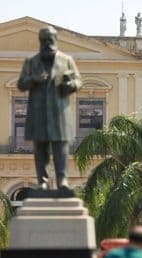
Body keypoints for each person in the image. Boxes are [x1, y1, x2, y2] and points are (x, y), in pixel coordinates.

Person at [17, 26, 82, 190]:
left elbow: (78, 82)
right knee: (40, 149)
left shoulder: (66, 60)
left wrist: (69, 84)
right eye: (44, 40)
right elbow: (21, 84)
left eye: (50, 40)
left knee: (61, 148)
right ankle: (43, 182)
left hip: (59, 112)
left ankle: (62, 181)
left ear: (55, 40)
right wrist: (34, 79)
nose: (47, 43)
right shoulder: (31, 62)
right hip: (38, 113)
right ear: (39, 41)